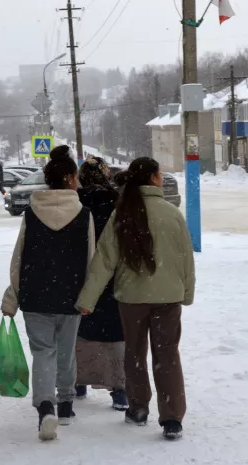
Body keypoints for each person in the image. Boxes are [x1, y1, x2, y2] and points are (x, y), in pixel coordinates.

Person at [76, 157, 195, 441]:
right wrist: (186, 294)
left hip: (131, 299)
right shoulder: (172, 214)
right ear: (154, 178)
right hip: (168, 298)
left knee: (135, 354)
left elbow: (104, 261)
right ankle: (172, 419)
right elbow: (185, 260)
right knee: (168, 355)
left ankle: (138, 408)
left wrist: (88, 298)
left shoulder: (122, 213)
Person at [1, 145, 94, 441]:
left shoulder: (31, 213)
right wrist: (88, 297)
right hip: (71, 294)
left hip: (35, 293)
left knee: (43, 352)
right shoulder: (84, 214)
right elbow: (91, 259)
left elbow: (19, 258)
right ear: (69, 178)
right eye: (76, 176)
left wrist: (12, 297)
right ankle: (65, 403)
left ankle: (45, 407)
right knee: (66, 351)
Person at [73, 156, 128, 411]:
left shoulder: (75, 202)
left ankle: (77, 382)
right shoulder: (118, 203)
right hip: (113, 279)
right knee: (115, 335)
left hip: (80, 277)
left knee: (79, 333)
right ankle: (119, 391)